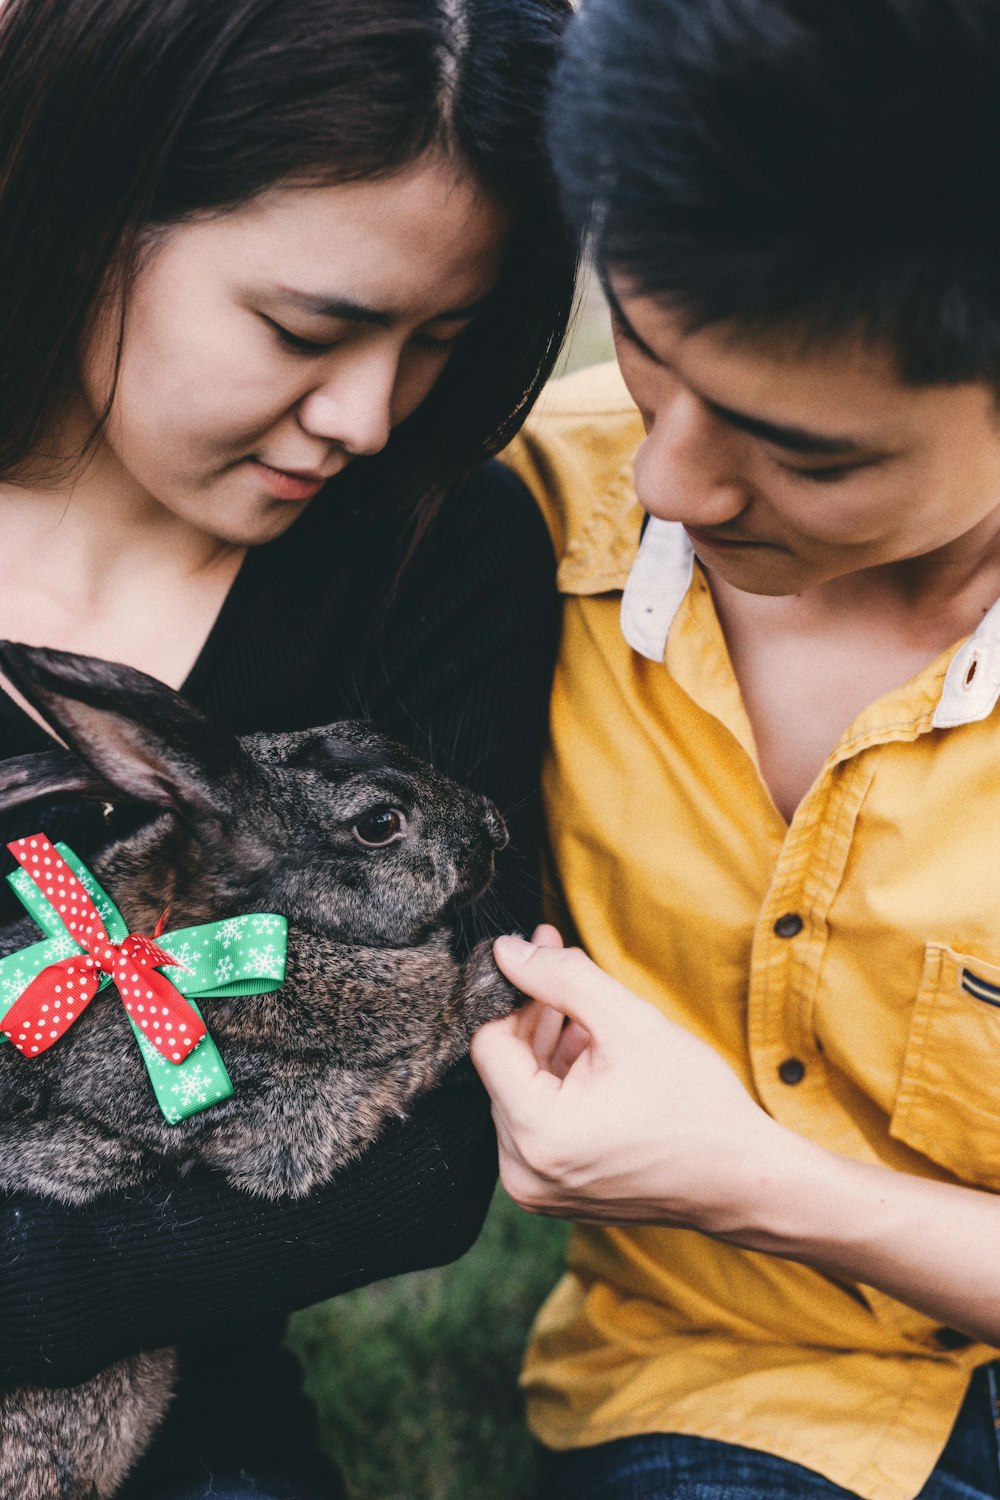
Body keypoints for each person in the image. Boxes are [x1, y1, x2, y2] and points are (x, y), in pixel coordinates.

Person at [0, 0, 575, 1495]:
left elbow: (437, 1150)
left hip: (163, 1415)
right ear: (89, 203)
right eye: (305, 330)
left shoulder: (434, 553)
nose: (369, 417)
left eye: (440, 338)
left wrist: (41, 1293)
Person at [470, 1, 1000, 1497]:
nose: (668, 476)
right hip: (742, 1400)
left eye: (806, 452)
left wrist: (762, 1186)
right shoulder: (515, 523)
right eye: (640, 345)